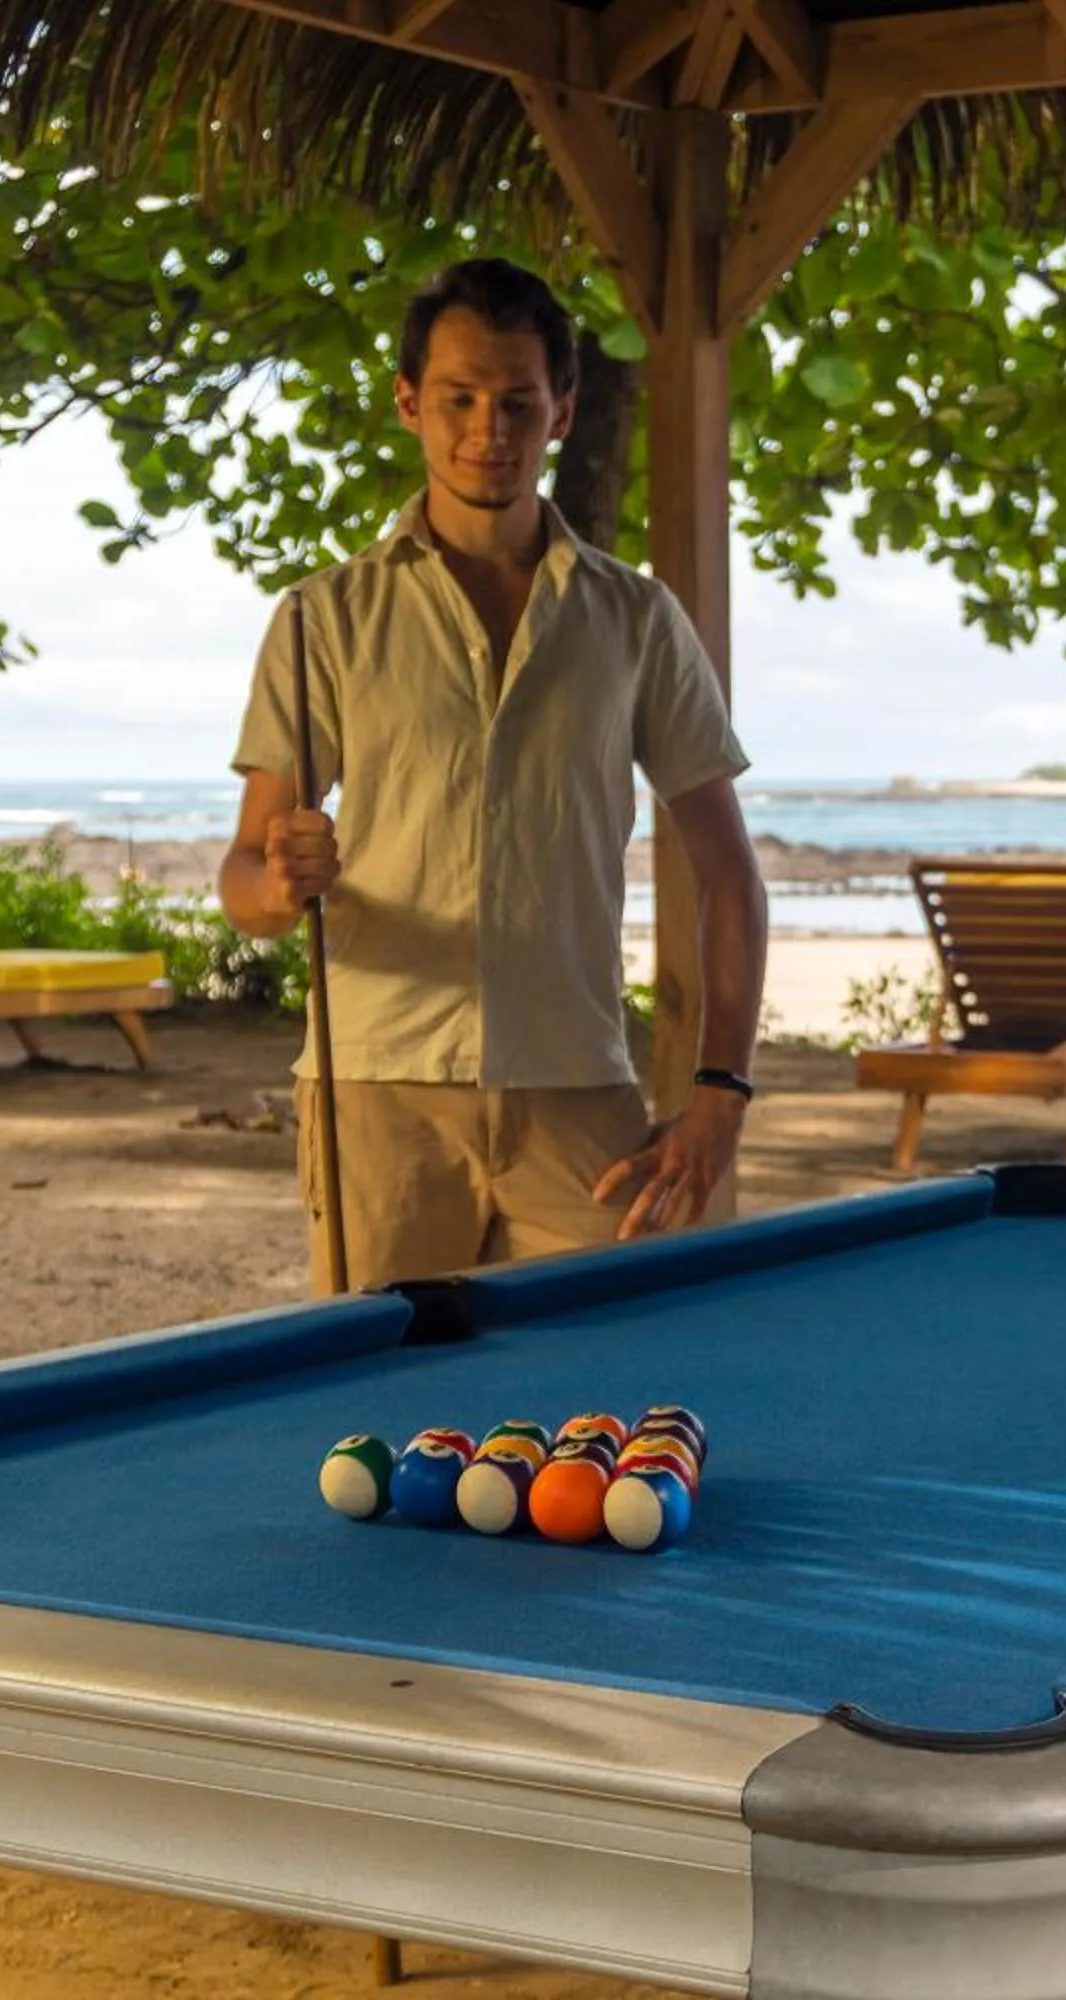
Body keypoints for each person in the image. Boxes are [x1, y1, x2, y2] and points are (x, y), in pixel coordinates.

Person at [218, 257, 767, 1291]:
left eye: (519, 402)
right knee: (386, 1383)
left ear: (563, 410)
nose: (490, 430)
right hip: (378, 1090)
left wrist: (721, 1093)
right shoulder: (322, 619)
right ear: (409, 403)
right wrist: (280, 885)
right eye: (460, 398)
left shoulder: (637, 619)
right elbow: (246, 875)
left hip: (578, 1085)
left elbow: (729, 871)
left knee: (605, 1383)